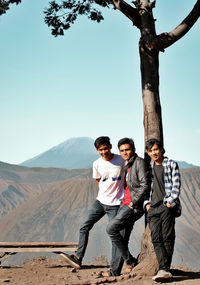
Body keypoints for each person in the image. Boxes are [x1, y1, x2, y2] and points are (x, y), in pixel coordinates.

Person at [60, 136, 125, 275]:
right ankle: (78, 258)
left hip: (116, 204)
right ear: (97, 150)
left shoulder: (121, 160)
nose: (104, 152)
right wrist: (104, 192)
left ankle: (115, 269)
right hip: (100, 202)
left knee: (115, 235)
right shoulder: (97, 164)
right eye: (100, 150)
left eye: (105, 148)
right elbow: (98, 180)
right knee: (84, 226)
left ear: (110, 146)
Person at [102, 137, 150, 276]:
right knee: (122, 236)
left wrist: (132, 203)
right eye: (122, 150)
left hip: (133, 206)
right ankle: (114, 271)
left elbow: (144, 184)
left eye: (127, 149)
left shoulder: (139, 162)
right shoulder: (127, 163)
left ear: (133, 149)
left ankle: (130, 260)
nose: (125, 152)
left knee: (111, 229)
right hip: (126, 203)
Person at [144, 138, 181, 282]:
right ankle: (163, 269)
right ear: (148, 152)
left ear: (161, 149)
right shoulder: (150, 168)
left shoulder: (171, 164)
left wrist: (170, 202)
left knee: (167, 237)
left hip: (166, 206)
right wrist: (147, 204)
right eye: (151, 150)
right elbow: (147, 187)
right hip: (152, 208)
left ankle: (164, 269)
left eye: (156, 149)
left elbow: (176, 185)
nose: (154, 152)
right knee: (156, 238)